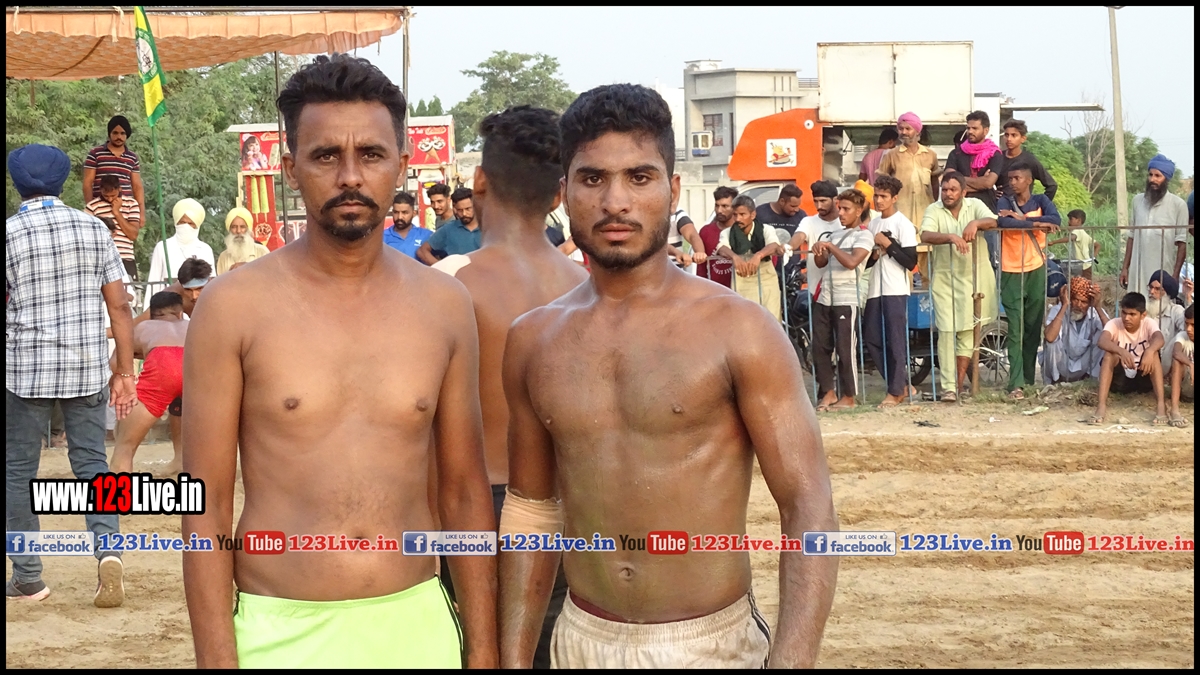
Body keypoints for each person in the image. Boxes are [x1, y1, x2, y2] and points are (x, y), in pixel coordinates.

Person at [498, 82, 837, 670]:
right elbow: (532, 510)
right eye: (592, 178)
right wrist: (512, 657)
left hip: (709, 646)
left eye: (639, 177)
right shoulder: (534, 339)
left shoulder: (739, 330)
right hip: (580, 639)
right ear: (563, 192)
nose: (615, 202)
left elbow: (808, 503)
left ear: (672, 190)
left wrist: (792, 662)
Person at [181, 54, 496, 669]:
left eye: (371, 154)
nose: (350, 176)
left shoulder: (444, 305)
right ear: (290, 168)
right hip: (278, 630)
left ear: (401, 164)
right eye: (326, 156)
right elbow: (207, 505)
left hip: (417, 625)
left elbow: (463, 493)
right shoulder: (232, 307)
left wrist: (481, 651)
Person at [431, 105, 588, 669]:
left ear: (479, 180)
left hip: (471, 507)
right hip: (570, 509)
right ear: (559, 194)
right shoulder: (586, 286)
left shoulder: (448, 282)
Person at [6, 143, 136, 606]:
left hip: (24, 369)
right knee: (93, 465)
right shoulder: (94, 228)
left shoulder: (9, 234)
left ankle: (28, 578)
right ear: (62, 182)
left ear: (17, 183)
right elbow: (119, 306)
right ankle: (108, 551)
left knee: (17, 472)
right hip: (86, 367)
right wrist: (124, 371)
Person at [919, 171, 999, 402]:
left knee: (967, 331)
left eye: (953, 190)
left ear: (963, 192)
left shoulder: (975, 205)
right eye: (945, 189)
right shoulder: (934, 209)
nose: (948, 194)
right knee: (946, 331)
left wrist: (976, 223)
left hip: (974, 278)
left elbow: (994, 221)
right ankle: (948, 387)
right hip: (945, 279)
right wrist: (951, 237)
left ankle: (956, 385)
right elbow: (925, 234)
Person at [803, 189, 874, 411]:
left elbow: (852, 262)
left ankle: (849, 396)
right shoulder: (834, 235)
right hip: (825, 296)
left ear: (858, 211)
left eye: (846, 209)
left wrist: (831, 247)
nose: (841, 213)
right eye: (840, 208)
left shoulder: (865, 236)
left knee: (845, 349)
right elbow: (822, 263)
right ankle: (829, 392)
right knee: (819, 347)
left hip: (846, 298)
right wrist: (819, 250)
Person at [995, 166, 1061, 398]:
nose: (1013, 182)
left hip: (1036, 268)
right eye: (1010, 178)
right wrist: (1036, 224)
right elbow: (1004, 223)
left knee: (1033, 328)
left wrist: (1023, 219)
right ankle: (1015, 383)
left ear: (1029, 180)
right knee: (1015, 328)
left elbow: (1055, 219)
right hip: (1010, 270)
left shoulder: (1040, 200)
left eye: (1017, 178)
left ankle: (1028, 379)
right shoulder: (1004, 201)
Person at [110, 291, 189, 475]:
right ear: (180, 313)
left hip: (161, 366)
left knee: (125, 446)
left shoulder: (143, 327)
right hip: (195, 367)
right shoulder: (193, 325)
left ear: (152, 315)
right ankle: (182, 461)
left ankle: (119, 487)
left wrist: (121, 388)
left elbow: (115, 363)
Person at [865, 175, 919, 407]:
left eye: (883, 196)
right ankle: (901, 384)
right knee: (872, 337)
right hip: (875, 288)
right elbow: (868, 261)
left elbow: (911, 261)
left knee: (895, 340)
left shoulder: (903, 224)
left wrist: (889, 244)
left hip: (895, 288)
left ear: (894, 198)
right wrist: (874, 254)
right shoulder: (873, 224)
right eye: (876, 196)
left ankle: (895, 391)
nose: (879, 201)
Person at [1089, 292, 1166, 425]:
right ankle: (1101, 406)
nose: (1126, 318)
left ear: (1143, 315)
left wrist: (1150, 351)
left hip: (1143, 374)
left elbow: (1160, 339)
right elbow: (1102, 341)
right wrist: (1121, 351)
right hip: (1121, 380)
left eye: (1132, 314)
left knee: (1154, 355)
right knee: (1109, 355)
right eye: (1124, 313)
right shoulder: (1114, 323)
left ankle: (1161, 405)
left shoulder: (1149, 323)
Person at [1121, 154, 1189, 289]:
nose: (1153, 179)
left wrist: (1175, 276)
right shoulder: (1137, 201)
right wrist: (1125, 268)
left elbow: (1182, 243)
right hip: (1137, 271)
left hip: (1163, 273)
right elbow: (1131, 237)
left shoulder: (1178, 205)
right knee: (1135, 301)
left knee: (1160, 301)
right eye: (1150, 175)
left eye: (1158, 176)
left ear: (1166, 179)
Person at [715, 195, 785, 320]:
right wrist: (735, 257)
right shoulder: (727, 232)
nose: (738, 219)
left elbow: (774, 244)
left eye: (742, 214)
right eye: (735, 215)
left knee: (771, 320)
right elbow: (721, 248)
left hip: (767, 281)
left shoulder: (766, 229)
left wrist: (759, 255)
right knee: (744, 320)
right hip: (741, 282)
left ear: (753, 215)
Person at [877, 111, 940, 228]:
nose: (904, 132)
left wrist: (934, 204)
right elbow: (881, 183)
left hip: (925, 212)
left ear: (917, 131)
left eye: (908, 129)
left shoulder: (930, 155)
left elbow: (935, 182)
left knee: (925, 238)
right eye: (901, 129)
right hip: (900, 212)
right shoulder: (891, 155)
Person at [1042, 277, 1108, 385]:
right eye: (1075, 300)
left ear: (1090, 304)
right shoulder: (1058, 309)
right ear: (1070, 298)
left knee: (1104, 337)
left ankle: (1091, 381)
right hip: (1061, 364)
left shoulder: (1095, 313)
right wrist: (1064, 305)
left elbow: (1113, 335)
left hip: (1084, 366)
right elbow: (1049, 337)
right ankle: (1055, 381)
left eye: (1084, 302)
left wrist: (1098, 307)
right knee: (1051, 341)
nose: (1078, 305)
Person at [82, 115, 145, 218]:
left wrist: (141, 213)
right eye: (115, 133)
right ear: (109, 133)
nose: (119, 137)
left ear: (127, 135)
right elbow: (87, 183)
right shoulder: (96, 154)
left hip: (126, 210)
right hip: (100, 210)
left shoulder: (132, 157)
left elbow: (137, 186)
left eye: (122, 133)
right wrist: (91, 209)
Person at [85, 173, 142, 280]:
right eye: (106, 196)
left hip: (125, 257)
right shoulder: (91, 207)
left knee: (130, 289)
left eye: (113, 195)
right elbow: (88, 236)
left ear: (120, 189)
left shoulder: (131, 204)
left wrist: (117, 212)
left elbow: (133, 235)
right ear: (101, 190)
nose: (110, 199)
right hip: (102, 258)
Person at [147, 198, 216, 284]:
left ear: (197, 226)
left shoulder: (205, 249)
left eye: (190, 223)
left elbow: (211, 282)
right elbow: (154, 279)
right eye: (182, 222)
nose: (186, 226)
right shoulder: (163, 247)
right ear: (176, 223)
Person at [997, 119, 1057, 200]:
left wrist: (1040, 204)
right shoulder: (997, 157)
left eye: (1014, 135)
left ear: (1023, 138)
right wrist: (992, 194)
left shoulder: (1029, 160)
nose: (1009, 139)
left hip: (1022, 206)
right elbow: (985, 181)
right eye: (1006, 135)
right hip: (998, 206)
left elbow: (1052, 186)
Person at [417, 187, 480, 264]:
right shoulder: (448, 229)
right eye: (460, 210)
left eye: (468, 209)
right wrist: (442, 268)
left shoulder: (489, 228)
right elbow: (422, 251)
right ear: (455, 209)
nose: (464, 213)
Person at [1146, 270, 1186, 378]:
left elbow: (1189, 328)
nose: (1152, 292)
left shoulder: (1175, 310)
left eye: (1158, 289)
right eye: (1151, 287)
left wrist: (1188, 298)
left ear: (1167, 293)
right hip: (1145, 360)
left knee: (1182, 336)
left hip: (1166, 361)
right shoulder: (1143, 311)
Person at [696, 185, 738, 287]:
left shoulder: (743, 230)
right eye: (717, 205)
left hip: (740, 289)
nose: (719, 210)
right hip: (715, 290)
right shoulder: (706, 231)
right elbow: (701, 267)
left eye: (725, 206)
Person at [215, 207, 271, 275]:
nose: (238, 231)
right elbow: (221, 281)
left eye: (242, 227)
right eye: (234, 227)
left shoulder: (262, 252)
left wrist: (248, 267)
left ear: (248, 229)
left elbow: (270, 276)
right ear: (229, 230)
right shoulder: (223, 257)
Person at [1048, 209, 1100, 279]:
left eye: (1071, 219)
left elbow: (1070, 238)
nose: (1068, 222)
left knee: (1083, 284)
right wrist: (1092, 258)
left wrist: (1053, 242)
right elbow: (1098, 245)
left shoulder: (1077, 231)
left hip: (1082, 266)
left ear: (1078, 220)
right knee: (1082, 283)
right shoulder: (1084, 233)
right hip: (1084, 265)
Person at [381, 191, 432, 260]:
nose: (400, 217)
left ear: (414, 213)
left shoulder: (426, 235)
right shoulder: (382, 237)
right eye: (396, 212)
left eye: (404, 213)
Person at [1167, 304, 1194, 427]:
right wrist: (1190, 364)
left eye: (1193, 325)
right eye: (1186, 324)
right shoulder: (1183, 336)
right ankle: (1174, 410)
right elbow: (1176, 352)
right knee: (1177, 362)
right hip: (1188, 387)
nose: (1189, 329)